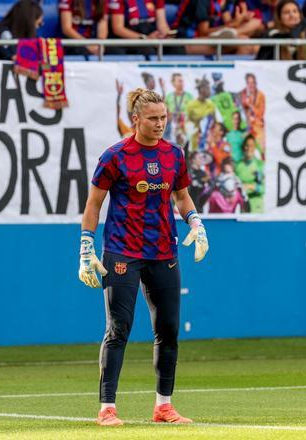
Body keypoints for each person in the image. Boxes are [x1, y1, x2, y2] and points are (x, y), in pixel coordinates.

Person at [79, 88, 209, 427]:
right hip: (123, 249)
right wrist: (86, 245)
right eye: (152, 118)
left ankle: (163, 407)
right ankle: (107, 408)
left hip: (163, 250)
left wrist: (194, 220)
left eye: (163, 117)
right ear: (135, 119)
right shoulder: (115, 156)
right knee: (118, 328)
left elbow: (181, 195)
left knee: (168, 330)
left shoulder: (174, 155)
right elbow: (94, 203)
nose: (159, 123)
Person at [108, 0, 175, 55]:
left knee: (176, 49)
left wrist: (163, 35)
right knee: (148, 51)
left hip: (151, 34)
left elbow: (162, 23)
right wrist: (145, 39)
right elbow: (118, 29)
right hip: (130, 38)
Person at [235, 134, 264, 213]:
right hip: (242, 209)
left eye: (252, 146)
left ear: (255, 148)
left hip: (257, 207)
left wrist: (250, 187)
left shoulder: (260, 165)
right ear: (244, 147)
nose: (249, 148)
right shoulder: (238, 165)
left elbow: (264, 188)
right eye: (247, 145)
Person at [240, 73, 265, 155]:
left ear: (256, 83)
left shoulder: (261, 95)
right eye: (249, 83)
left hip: (257, 127)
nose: (251, 85)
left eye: (253, 82)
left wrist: (250, 105)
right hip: (246, 127)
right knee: (243, 149)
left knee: (263, 151)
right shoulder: (242, 94)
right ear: (246, 84)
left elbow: (260, 113)